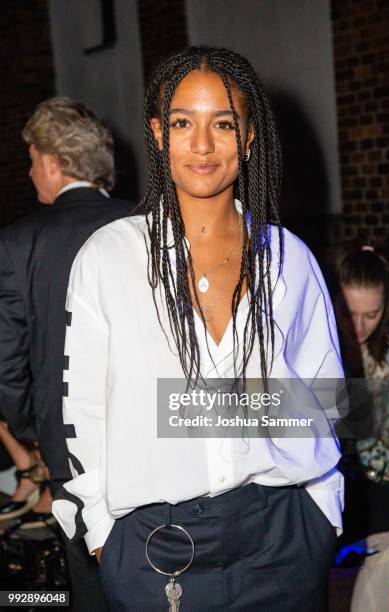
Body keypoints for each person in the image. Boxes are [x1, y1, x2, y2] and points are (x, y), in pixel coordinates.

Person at [52, 47, 344, 611]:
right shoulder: (111, 257)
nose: (203, 145)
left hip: (283, 537)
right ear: (159, 133)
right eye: (184, 123)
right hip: (152, 548)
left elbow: (324, 396)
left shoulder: (288, 258)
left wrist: (321, 506)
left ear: (250, 136)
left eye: (224, 124)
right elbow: (81, 410)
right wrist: (102, 536)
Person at [0, 97, 133, 610]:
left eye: (32, 159)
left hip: (67, 447)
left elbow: (8, 368)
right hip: (149, 434)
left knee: (88, 579)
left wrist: (29, 430)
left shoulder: (17, 243)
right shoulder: (147, 223)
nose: (31, 171)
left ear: (54, 162)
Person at [334, 245, 389, 542]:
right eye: (349, 313)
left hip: (386, 490)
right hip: (333, 488)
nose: (359, 326)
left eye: (371, 314)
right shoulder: (317, 348)